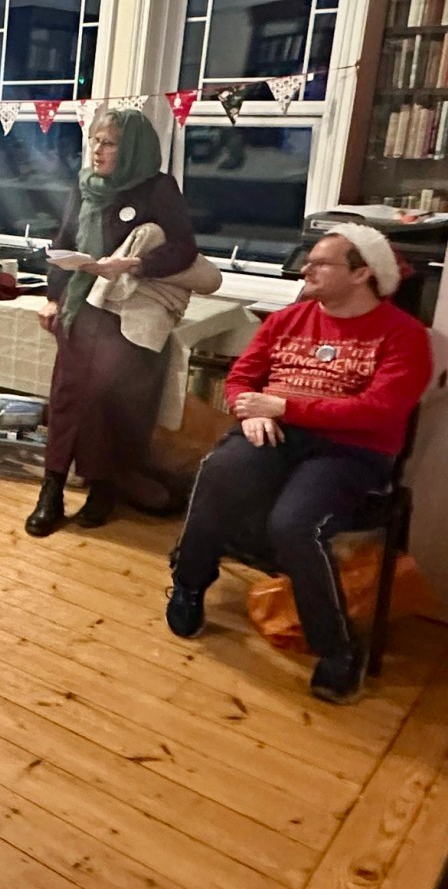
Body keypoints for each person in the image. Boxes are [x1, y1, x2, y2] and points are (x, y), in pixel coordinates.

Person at [165, 226, 432, 705]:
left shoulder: (404, 336)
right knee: (217, 475)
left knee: (293, 524)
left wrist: (283, 408)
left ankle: (338, 647)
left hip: (349, 450)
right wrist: (247, 411)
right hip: (272, 431)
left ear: (361, 273)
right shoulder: (288, 319)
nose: (305, 268)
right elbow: (242, 377)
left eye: (321, 263)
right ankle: (187, 585)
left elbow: (378, 412)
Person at [25, 109, 201, 536]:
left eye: (108, 143)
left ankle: (103, 488)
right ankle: (51, 490)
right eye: (95, 142)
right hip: (80, 308)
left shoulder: (158, 188)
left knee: (108, 403)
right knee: (66, 400)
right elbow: (63, 244)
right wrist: (53, 298)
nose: (97, 151)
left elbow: (184, 249)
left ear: (133, 149)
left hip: (125, 314)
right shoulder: (86, 187)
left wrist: (137, 263)